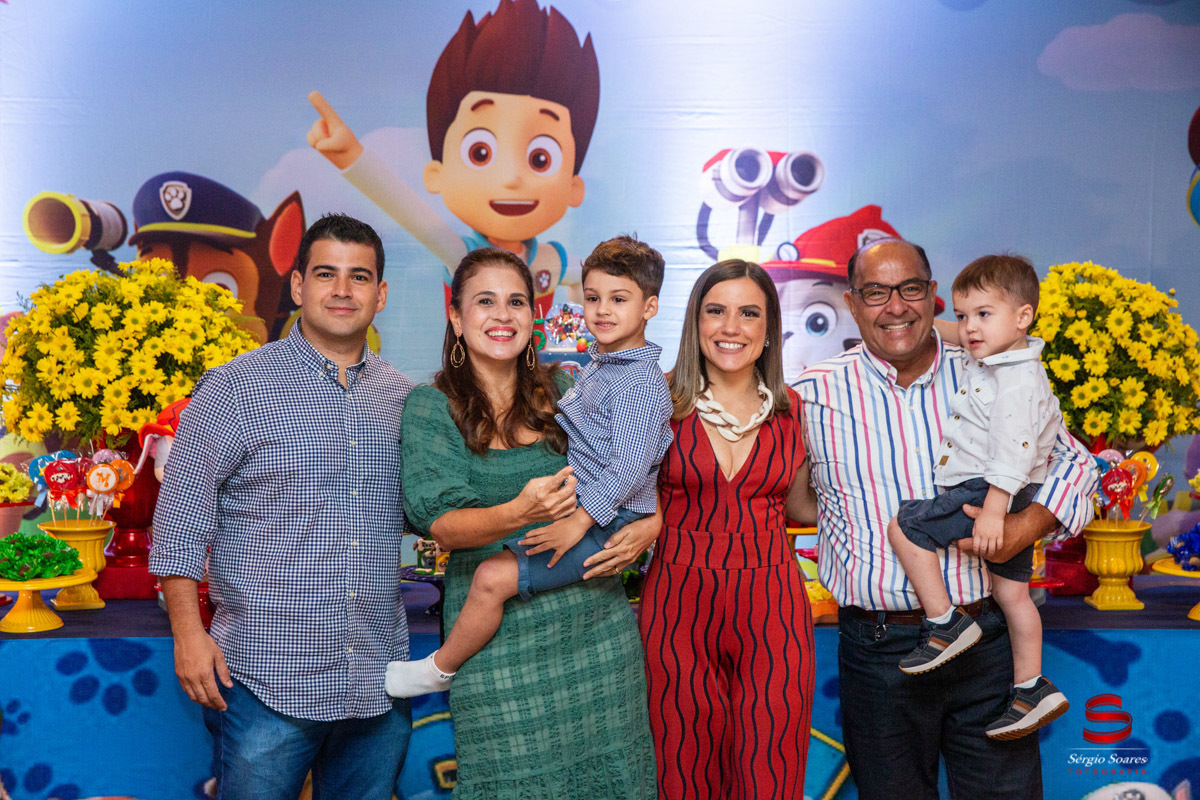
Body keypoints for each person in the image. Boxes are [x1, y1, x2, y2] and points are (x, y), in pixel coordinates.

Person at [797, 238, 1098, 800]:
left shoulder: (991, 368)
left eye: (910, 288)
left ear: (932, 294)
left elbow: (1078, 466)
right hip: (878, 651)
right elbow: (787, 497)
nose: (896, 306)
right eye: (875, 292)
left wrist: (1022, 527)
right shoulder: (812, 394)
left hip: (987, 642)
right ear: (851, 302)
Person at [150, 214, 414, 798]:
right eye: (325, 274)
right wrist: (188, 635)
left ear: (380, 294)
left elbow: (431, 512)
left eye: (359, 277)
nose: (342, 290)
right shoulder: (233, 388)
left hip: (377, 676)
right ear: (297, 286)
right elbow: (178, 523)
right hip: (264, 678)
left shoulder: (405, 399)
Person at [398, 247, 658, 797]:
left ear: (533, 316)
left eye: (516, 302)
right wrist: (521, 512)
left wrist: (651, 526)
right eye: (485, 302)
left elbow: (645, 458)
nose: (503, 315)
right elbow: (440, 523)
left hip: (598, 638)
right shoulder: (431, 406)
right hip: (496, 646)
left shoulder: (567, 389)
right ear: (456, 317)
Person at [638, 259, 817, 800]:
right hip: (677, 604)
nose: (731, 327)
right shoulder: (657, 401)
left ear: (769, 329)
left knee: (772, 769)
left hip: (774, 607)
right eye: (715, 311)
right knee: (681, 767)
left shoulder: (793, 410)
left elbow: (802, 507)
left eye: (749, 313)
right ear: (695, 322)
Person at [306, 0, 600, 309]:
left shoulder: (551, 260)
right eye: (480, 152)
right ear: (438, 174)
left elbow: (592, 276)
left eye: (541, 159)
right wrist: (351, 156)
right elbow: (410, 213)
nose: (512, 177)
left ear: (573, 187)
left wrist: (579, 323)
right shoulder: (465, 257)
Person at [886, 254, 1068, 740]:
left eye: (983, 315)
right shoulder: (998, 353)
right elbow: (949, 331)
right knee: (1012, 594)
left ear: (1023, 316)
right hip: (1014, 492)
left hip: (989, 489)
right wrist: (919, 321)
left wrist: (992, 511)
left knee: (904, 527)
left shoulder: (1016, 379)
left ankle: (944, 621)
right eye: (963, 315)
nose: (969, 328)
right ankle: (1031, 687)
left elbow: (1014, 450)